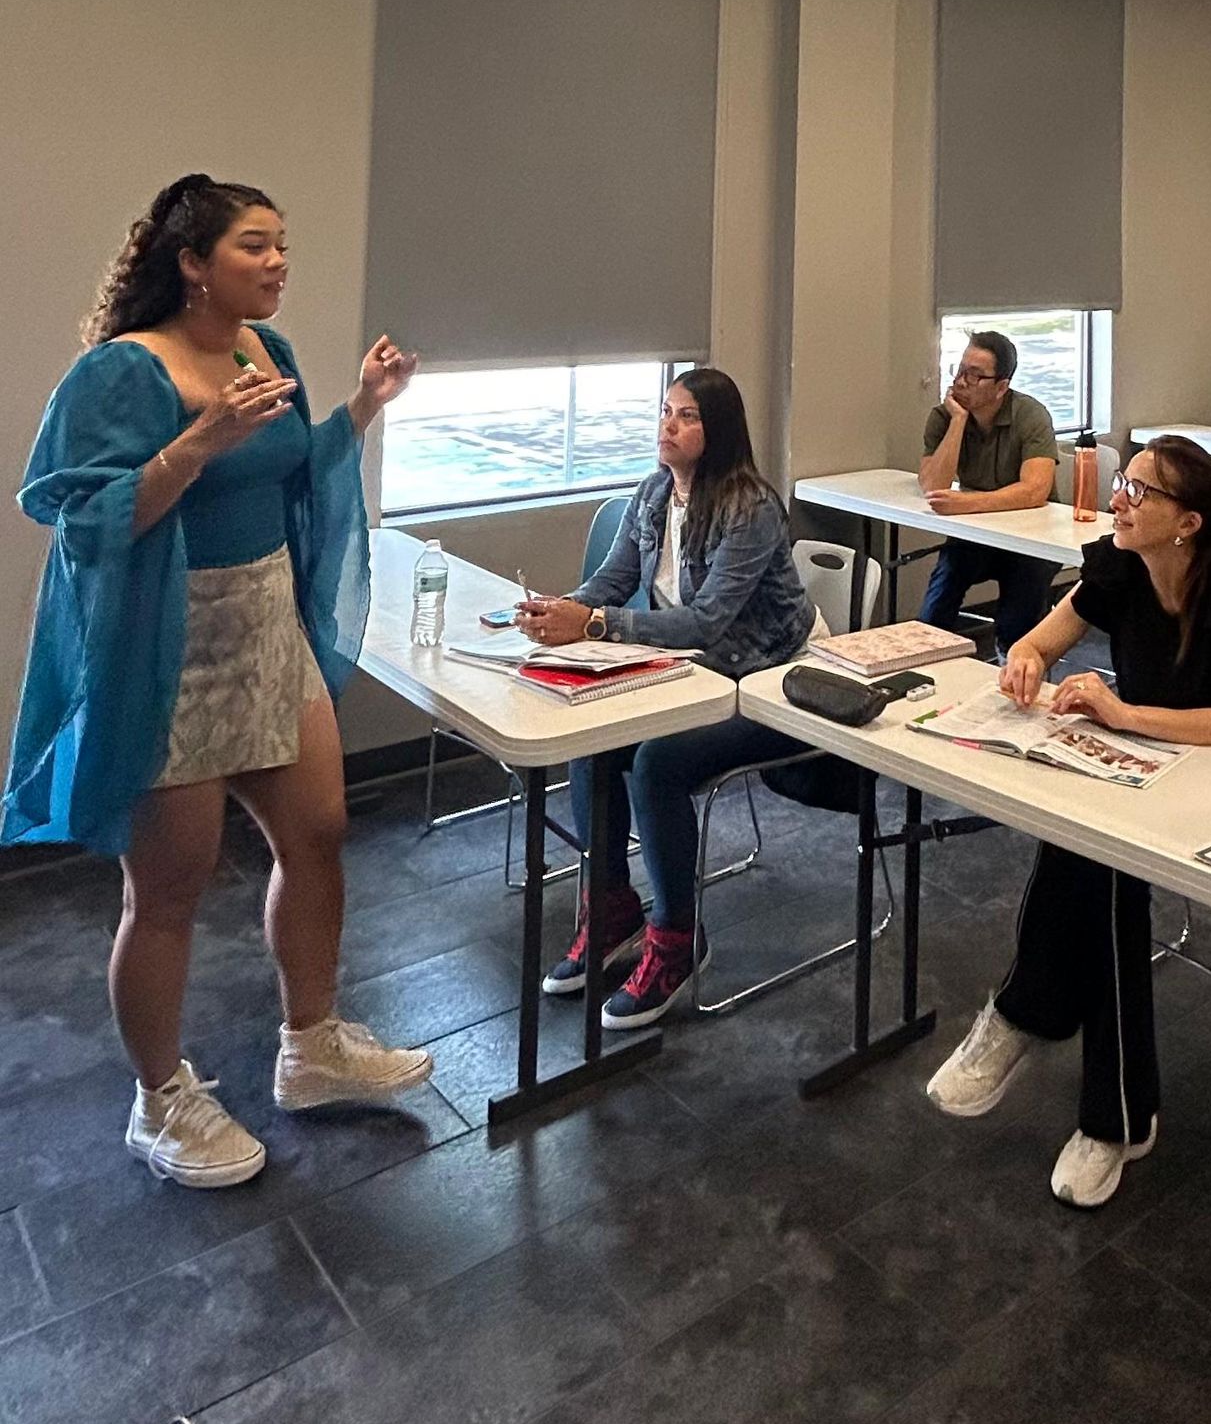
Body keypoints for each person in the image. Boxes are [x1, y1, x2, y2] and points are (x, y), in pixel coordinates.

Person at [8, 176, 432, 1189]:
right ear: (193, 262)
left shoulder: (266, 349)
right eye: (256, 245)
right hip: (173, 647)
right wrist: (199, 439)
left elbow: (290, 477)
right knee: (168, 887)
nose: (279, 262)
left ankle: (312, 1044)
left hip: (266, 630)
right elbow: (84, 517)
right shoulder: (120, 372)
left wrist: (363, 409)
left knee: (319, 830)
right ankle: (161, 1100)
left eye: (284, 244)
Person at [926, 434, 1211, 1207]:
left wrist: (1125, 715)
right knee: (1093, 854)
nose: (1119, 498)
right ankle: (1117, 1115)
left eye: (1139, 491)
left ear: (1186, 521)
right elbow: (1038, 639)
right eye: (1125, 481)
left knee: (1100, 862)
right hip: (1145, 770)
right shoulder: (1118, 565)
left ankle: (1025, 1014)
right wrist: (1022, 662)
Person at [519, 365, 818, 1031]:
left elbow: (708, 621)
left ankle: (677, 938)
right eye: (665, 411)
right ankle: (614, 906)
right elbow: (615, 576)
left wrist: (596, 625)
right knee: (592, 740)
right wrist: (560, 608)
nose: (668, 426)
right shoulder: (654, 492)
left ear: (717, 432)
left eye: (685, 415)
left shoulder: (751, 506)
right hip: (693, 673)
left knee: (657, 763)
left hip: (764, 681)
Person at [917, 330, 1061, 657]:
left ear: (1001, 387)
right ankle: (926, 666)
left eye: (974, 374)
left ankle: (1011, 670)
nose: (961, 381)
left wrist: (967, 503)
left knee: (1015, 622)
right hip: (978, 534)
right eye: (960, 369)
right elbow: (933, 487)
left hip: (1032, 539)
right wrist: (957, 422)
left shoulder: (1030, 415)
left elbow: (1035, 490)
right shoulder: (943, 416)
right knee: (936, 605)